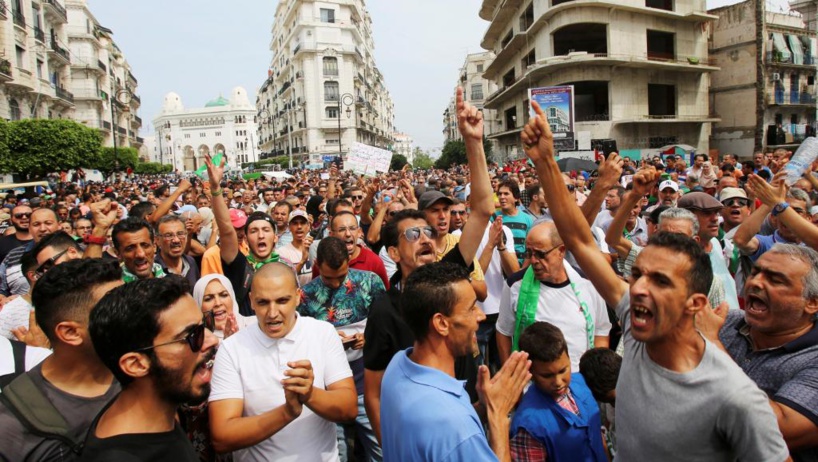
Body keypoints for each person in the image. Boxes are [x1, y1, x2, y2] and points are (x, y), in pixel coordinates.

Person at [520, 100, 789, 461]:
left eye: (660, 282)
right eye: (637, 275)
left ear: (696, 303)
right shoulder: (635, 317)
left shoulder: (735, 396)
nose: (640, 288)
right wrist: (545, 162)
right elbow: (580, 240)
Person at [363, 87, 494, 443]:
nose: (425, 238)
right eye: (412, 235)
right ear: (392, 252)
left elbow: (482, 209)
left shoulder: (451, 271)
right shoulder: (384, 310)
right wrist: (387, 444)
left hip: (465, 416)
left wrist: (474, 142)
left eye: (427, 232)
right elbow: (373, 392)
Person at [380, 262, 531, 461]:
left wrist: (485, 406)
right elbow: (452, 430)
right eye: (471, 308)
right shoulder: (454, 425)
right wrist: (498, 417)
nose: (481, 315)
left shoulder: (397, 366)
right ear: (441, 323)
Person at [208, 263, 357, 461]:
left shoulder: (322, 333)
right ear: (251, 301)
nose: (272, 313)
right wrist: (287, 413)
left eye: (282, 301)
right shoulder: (231, 349)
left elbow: (348, 409)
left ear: (297, 297)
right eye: (263, 303)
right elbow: (222, 437)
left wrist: (310, 394)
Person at [699, 244, 818, 460]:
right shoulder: (726, 322)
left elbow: (779, 429)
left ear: (812, 303)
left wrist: (713, 346)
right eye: (755, 272)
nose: (755, 283)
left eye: (775, 280)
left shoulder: (814, 357)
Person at [83, 277, 218, 461]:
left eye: (206, 324)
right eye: (192, 336)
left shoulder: (163, 409)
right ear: (136, 365)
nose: (212, 340)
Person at [0, 259, 123, 462]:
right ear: (70, 332)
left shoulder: (143, 376)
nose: (137, 313)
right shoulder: (11, 427)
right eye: (117, 307)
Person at [298, 237, 386, 461]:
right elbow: (300, 340)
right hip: (328, 391)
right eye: (328, 278)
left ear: (349, 260)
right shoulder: (305, 295)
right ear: (317, 264)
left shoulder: (370, 282)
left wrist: (368, 337)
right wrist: (325, 339)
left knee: (381, 451)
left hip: (368, 386)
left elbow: (386, 325)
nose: (336, 284)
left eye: (341, 277)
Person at [497, 221, 611, 370]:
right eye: (529, 253)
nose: (533, 261)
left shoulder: (589, 284)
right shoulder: (515, 285)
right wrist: (510, 376)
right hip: (532, 383)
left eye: (540, 254)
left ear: (561, 251)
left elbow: (601, 332)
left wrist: (593, 376)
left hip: (580, 381)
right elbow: (504, 332)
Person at [509, 322, 607, 462]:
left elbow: (598, 435)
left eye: (563, 371)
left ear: (568, 358)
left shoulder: (581, 383)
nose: (558, 382)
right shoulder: (528, 426)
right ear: (529, 370)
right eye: (547, 376)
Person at [0, 207, 61, 296]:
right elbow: (2, 290)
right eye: (36, 224)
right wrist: (3, 299)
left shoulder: (73, 252)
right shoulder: (13, 255)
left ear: (59, 225)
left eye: (48, 223)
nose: (42, 228)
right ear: (29, 228)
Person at [193, 273, 254, 340]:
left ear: (232, 298)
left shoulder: (256, 325)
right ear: (199, 305)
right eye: (208, 299)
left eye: (224, 295)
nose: (218, 303)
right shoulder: (198, 343)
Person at [154, 215, 200, 290]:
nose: (176, 240)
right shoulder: (153, 269)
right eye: (168, 235)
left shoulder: (191, 262)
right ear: (157, 240)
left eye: (180, 234)